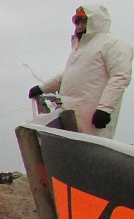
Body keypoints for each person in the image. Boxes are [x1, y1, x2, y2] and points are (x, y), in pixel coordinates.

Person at [29, 5, 133, 139]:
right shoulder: (80, 49)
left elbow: (120, 77)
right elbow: (69, 74)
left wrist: (104, 109)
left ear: (96, 21)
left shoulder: (114, 44)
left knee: (89, 151)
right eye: (77, 22)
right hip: (69, 116)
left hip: (93, 119)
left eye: (84, 21)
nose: (79, 26)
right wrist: (42, 88)